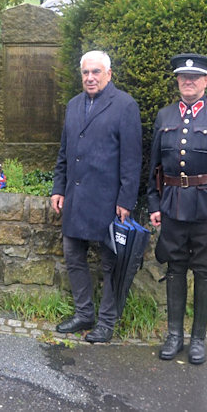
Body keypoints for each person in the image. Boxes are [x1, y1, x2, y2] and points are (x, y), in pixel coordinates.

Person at [148, 53, 207, 364]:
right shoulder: (164, 117)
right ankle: (174, 336)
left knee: (204, 271)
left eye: (195, 77)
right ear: (177, 81)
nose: (188, 81)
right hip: (172, 205)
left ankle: (198, 339)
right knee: (174, 269)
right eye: (183, 77)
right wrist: (153, 203)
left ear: (206, 81)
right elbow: (155, 167)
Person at [51, 50, 142, 343]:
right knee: (73, 255)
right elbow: (64, 153)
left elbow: (131, 159)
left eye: (96, 72)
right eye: (86, 73)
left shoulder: (125, 105)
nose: (90, 78)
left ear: (109, 74)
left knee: (110, 264)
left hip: (108, 201)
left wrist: (126, 200)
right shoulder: (74, 105)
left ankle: (106, 321)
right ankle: (84, 314)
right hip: (76, 197)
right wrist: (58, 188)